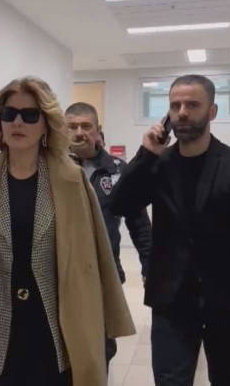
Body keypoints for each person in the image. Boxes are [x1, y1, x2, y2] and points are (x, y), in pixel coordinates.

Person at [0, 76, 135, 386]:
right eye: (9, 114)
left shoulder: (72, 180)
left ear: (45, 125)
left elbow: (97, 256)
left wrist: (110, 317)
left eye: (30, 114)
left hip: (53, 329)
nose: (18, 122)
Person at [111, 74, 230, 386]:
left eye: (192, 105)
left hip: (223, 299)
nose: (182, 112)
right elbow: (119, 203)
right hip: (171, 300)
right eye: (175, 105)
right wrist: (146, 154)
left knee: (227, 379)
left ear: (212, 111)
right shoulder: (158, 163)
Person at [64, 102, 153, 369]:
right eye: (72, 126)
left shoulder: (117, 170)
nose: (79, 132)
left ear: (97, 130)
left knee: (101, 349)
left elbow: (139, 224)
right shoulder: (49, 167)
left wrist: (149, 266)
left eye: (86, 126)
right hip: (59, 274)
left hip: (104, 275)